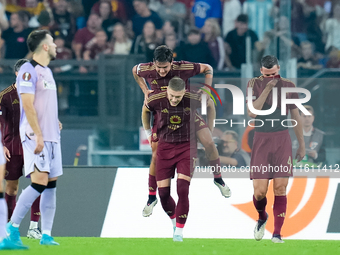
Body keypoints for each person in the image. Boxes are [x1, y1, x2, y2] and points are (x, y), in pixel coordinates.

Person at [132, 45, 231, 217]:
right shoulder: (146, 69)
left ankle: (218, 178)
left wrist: (207, 90)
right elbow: (134, 70)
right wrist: (145, 90)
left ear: (172, 62)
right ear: (153, 63)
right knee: (156, 154)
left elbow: (208, 68)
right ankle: (151, 196)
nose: (161, 71)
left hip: (187, 113)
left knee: (209, 142)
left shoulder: (183, 67)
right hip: (162, 116)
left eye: (165, 67)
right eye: (158, 67)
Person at [6, 29, 63, 246]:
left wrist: (54, 121)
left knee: (51, 184)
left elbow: (44, 104)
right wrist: (38, 134)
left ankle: (46, 234)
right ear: (45, 46)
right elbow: (28, 104)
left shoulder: (47, 71)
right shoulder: (28, 71)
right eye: (53, 42)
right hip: (34, 135)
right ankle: (11, 229)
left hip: (52, 136)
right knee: (39, 182)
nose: (57, 45)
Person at [247, 55, 305, 243]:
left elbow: (295, 115)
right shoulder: (253, 84)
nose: (272, 77)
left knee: (280, 188)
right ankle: (262, 216)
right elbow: (252, 112)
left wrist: (301, 144)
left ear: (279, 68)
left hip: (282, 140)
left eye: (274, 74)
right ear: (261, 71)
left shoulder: (288, 86)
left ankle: (277, 234)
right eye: (268, 74)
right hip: (261, 139)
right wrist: (266, 90)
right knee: (260, 192)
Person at [141, 77, 204, 241]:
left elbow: (211, 106)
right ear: (167, 91)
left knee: (182, 188)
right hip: (165, 146)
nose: (175, 99)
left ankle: (179, 232)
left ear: (184, 92)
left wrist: (207, 130)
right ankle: (174, 222)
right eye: (172, 96)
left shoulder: (194, 98)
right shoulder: (155, 99)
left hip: (187, 147)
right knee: (163, 194)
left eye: (178, 96)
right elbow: (145, 111)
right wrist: (148, 134)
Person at [0, 59, 42, 240]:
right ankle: (9, 228)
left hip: (33, 147)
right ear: (17, 74)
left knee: (38, 184)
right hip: (12, 147)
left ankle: (33, 227)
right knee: (11, 189)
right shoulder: (5, 96)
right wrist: (1, 145)